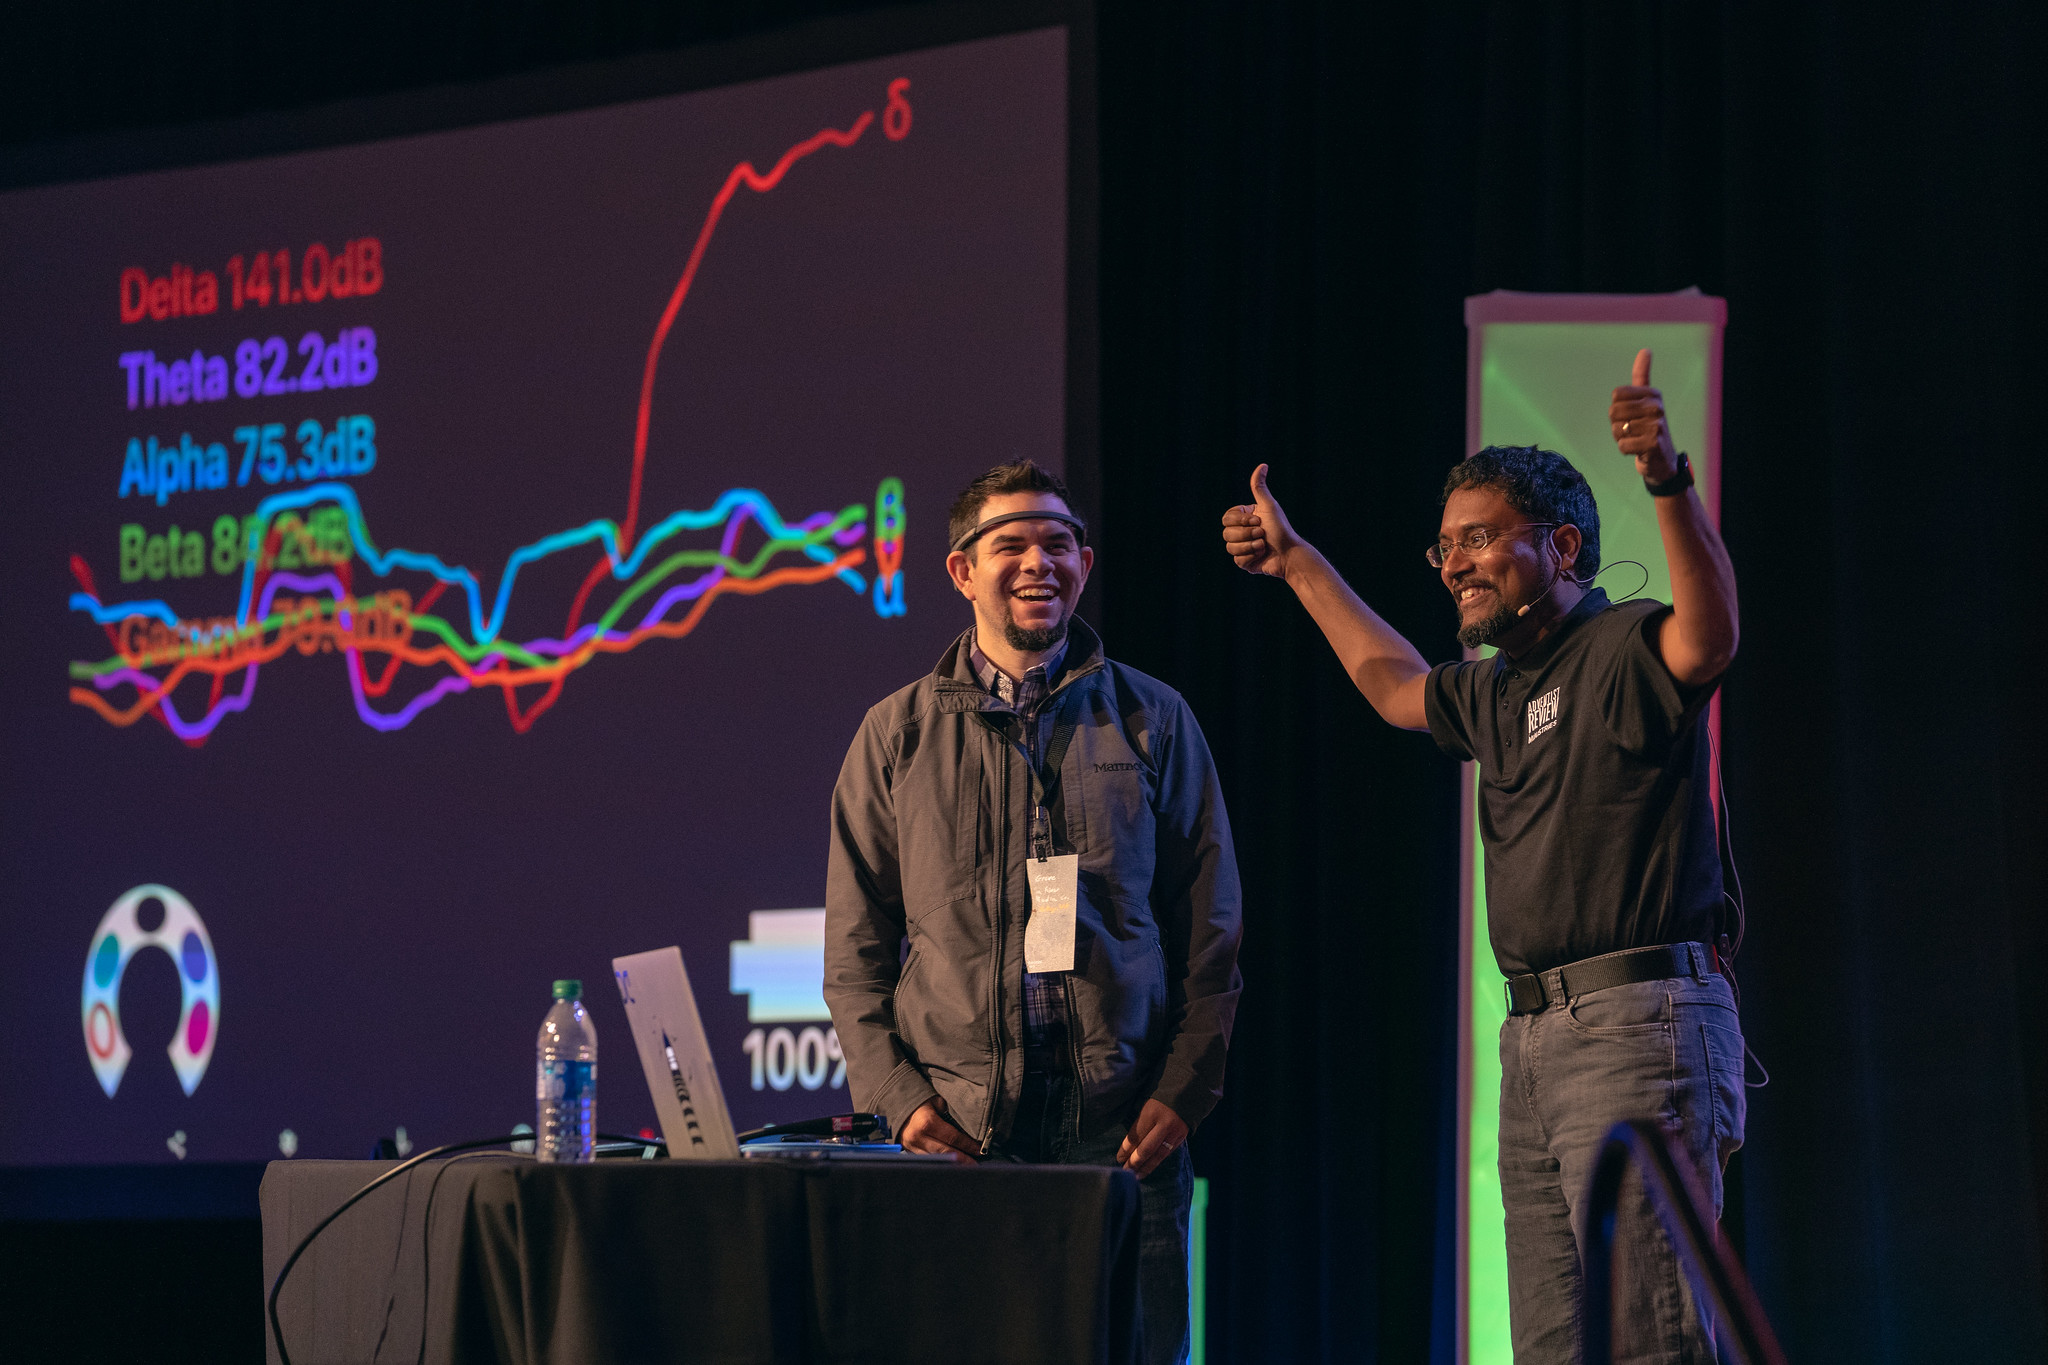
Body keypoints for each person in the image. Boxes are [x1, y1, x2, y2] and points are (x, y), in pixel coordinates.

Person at [1220, 350, 1744, 1364]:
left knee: (1650, 1336)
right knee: (1551, 1340)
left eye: (1478, 540)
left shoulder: (1626, 645)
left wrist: (1664, 480)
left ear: (1559, 545)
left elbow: (1709, 637)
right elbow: (1390, 684)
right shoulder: (1492, 689)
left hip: (1636, 1024)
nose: (1454, 563)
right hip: (1535, 1041)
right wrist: (1295, 564)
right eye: (1444, 547)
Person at [826, 459, 1244, 1365]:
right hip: (960, 1143)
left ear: (1083, 566)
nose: (1036, 562)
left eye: (1058, 543)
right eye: (1009, 543)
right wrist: (897, 1101)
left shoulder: (1153, 721)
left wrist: (1185, 1089)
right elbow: (854, 952)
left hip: (1125, 1137)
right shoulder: (894, 735)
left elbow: (1211, 933)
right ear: (961, 571)